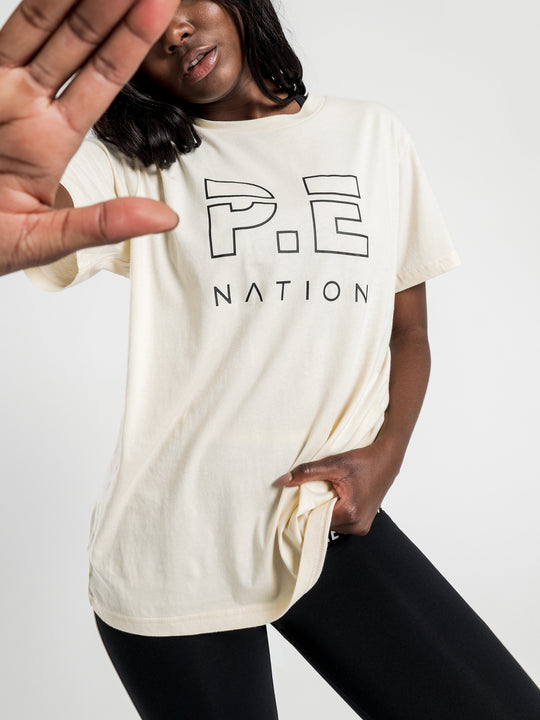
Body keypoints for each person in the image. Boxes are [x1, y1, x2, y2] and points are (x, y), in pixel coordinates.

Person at [4, 1, 540, 718]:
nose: (175, 32)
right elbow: (39, 206)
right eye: (145, 32)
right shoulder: (136, 165)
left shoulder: (371, 136)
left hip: (322, 517)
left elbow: (408, 332)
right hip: (174, 546)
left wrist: (386, 457)